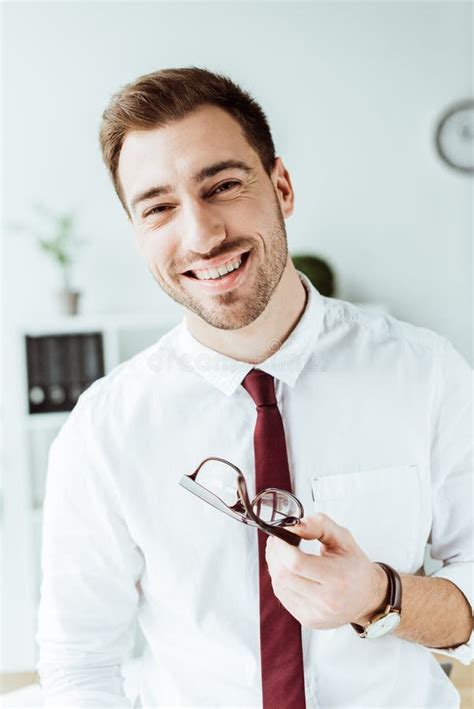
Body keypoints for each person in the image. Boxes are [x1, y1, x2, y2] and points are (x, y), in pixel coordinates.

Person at [36, 67, 473, 708]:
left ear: (282, 186)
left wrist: (382, 595)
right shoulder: (105, 428)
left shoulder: (426, 372)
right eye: (159, 207)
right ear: (137, 232)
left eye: (223, 186)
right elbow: (79, 665)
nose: (201, 234)